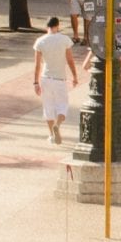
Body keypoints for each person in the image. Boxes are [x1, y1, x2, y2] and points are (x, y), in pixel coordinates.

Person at [30, 15, 79, 145]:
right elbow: (70, 61)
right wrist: (74, 76)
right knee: (62, 106)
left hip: (46, 78)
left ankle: (52, 134)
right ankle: (58, 124)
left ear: (47, 27)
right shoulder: (65, 40)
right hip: (60, 78)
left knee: (48, 107)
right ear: (58, 26)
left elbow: (37, 65)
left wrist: (35, 82)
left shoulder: (40, 41)